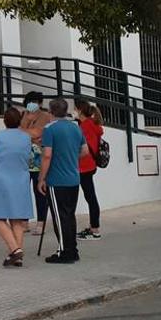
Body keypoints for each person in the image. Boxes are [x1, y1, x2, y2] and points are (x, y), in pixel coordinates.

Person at [38, 99, 89, 265]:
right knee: (69, 215)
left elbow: (47, 155)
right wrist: (70, 157)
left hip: (56, 179)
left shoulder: (49, 129)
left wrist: (41, 178)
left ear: (51, 112)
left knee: (59, 217)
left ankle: (64, 251)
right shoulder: (75, 127)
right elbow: (85, 151)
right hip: (73, 178)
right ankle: (72, 249)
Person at [0, 109, 33, 267]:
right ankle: (17, 255)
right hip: (21, 179)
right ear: (19, 120)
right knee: (16, 218)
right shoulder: (27, 137)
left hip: (2, 179)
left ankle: (15, 250)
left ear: (5, 121)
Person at [19, 91, 54, 236]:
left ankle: (41, 223)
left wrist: (29, 134)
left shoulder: (45, 116)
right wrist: (27, 124)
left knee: (39, 191)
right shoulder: (24, 115)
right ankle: (24, 221)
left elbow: (37, 133)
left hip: (39, 159)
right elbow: (19, 131)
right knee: (22, 191)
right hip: (24, 159)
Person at [74, 100, 105, 241]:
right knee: (90, 196)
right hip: (90, 165)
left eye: (75, 109)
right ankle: (94, 227)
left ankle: (95, 229)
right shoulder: (91, 125)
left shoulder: (85, 126)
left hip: (83, 166)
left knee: (90, 197)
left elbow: (82, 147)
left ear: (80, 111)